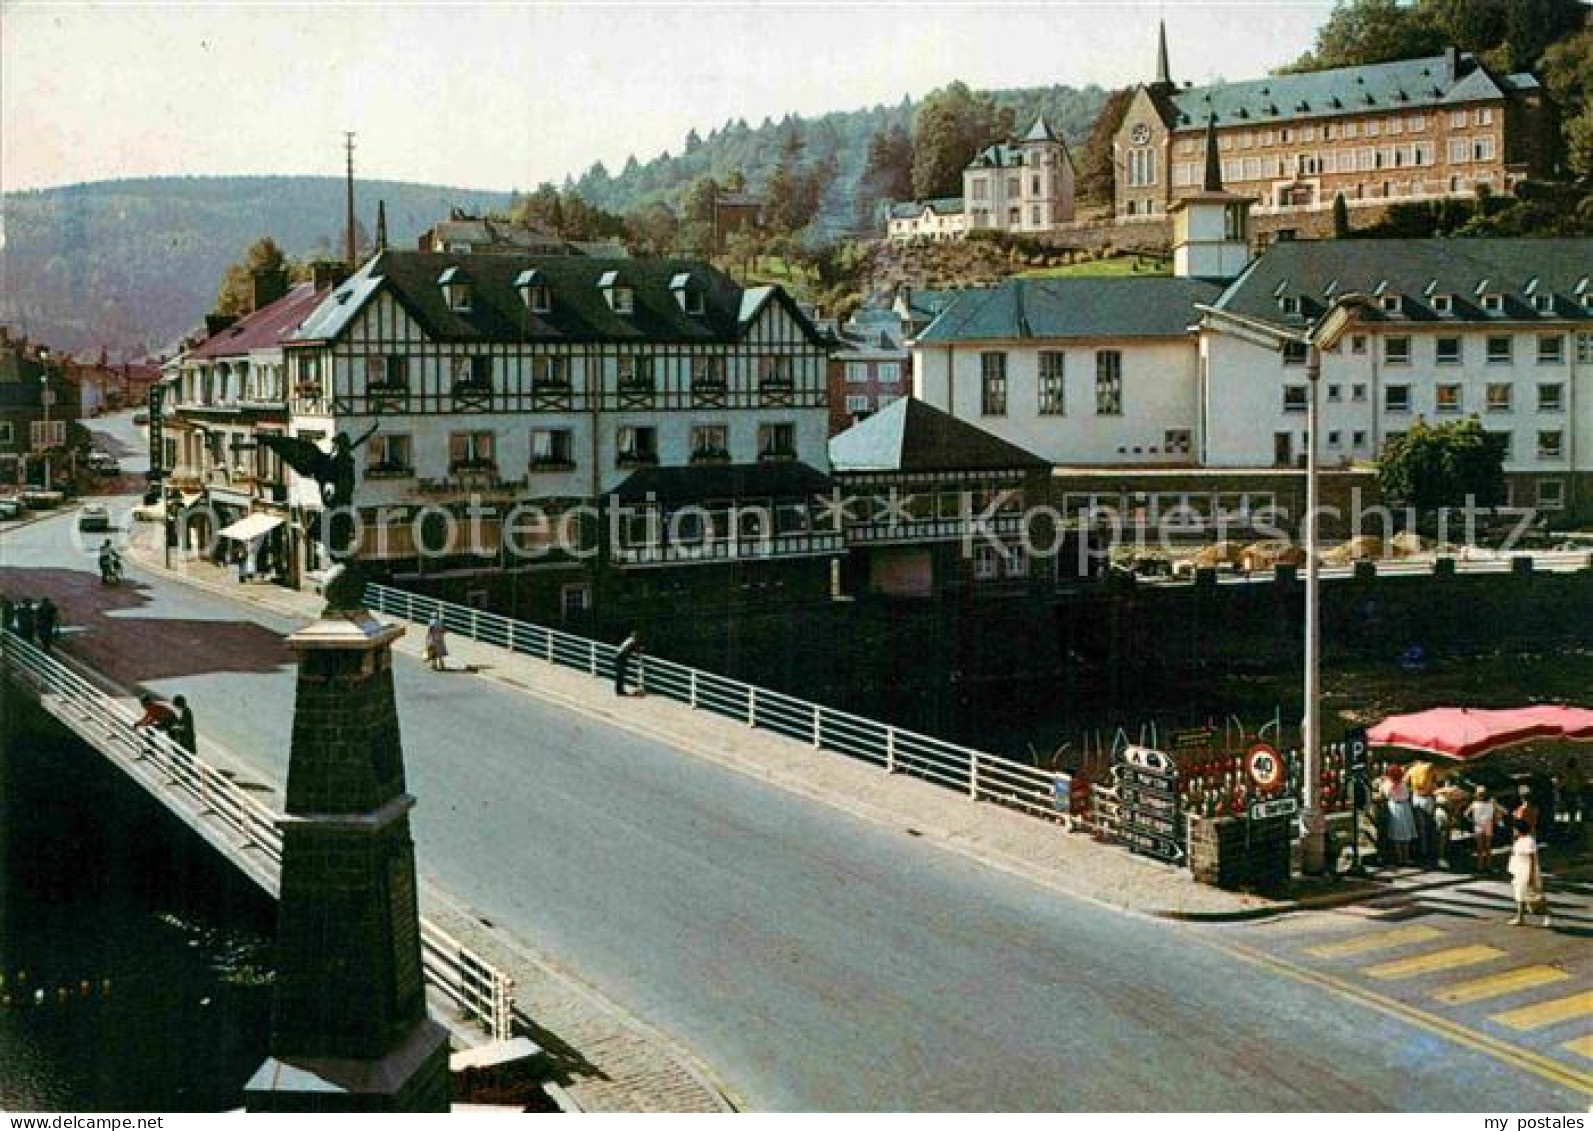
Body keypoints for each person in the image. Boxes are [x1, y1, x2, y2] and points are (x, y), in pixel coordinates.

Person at [1506, 817, 1551, 928]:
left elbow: (1532, 859)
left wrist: (1531, 876)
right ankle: (1520, 918)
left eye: (1515, 829)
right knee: (1520, 895)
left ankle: (1547, 915)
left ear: (1519, 829)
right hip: (1520, 871)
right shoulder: (1519, 841)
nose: (1513, 831)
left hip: (1527, 871)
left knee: (1536, 896)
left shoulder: (1529, 841)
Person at [1407, 759, 1444, 863]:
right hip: (1427, 798)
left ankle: (1423, 851)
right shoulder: (1430, 767)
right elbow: (1439, 779)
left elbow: (1405, 782)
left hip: (1416, 798)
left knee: (1420, 827)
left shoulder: (1412, 769)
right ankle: (1431, 852)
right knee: (1431, 825)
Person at [1381, 763, 1417, 866]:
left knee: (1403, 833)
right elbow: (1386, 793)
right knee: (1400, 834)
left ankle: (1404, 857)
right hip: (1398, 807)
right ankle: (1402, 858)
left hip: (1400, 806)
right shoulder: (1390, 783)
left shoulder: (1398, 782)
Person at [1466, 785, 1500, 873]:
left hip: (1485, 825)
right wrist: (1473, 821)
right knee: (1482, 848)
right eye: (1480, 794)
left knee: (1485, 848)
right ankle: (1481, 867)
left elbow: (1466, 814)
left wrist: (1495, 819)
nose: (1481, 795)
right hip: (1483, 825)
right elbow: (1466, 814)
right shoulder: (1476, 803)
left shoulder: (1488, 802)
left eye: (1482, 793)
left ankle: (1484, 867)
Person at [614, 627, 643, 697]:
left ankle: (619, 690)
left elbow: (631, 648)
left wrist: (636, 650)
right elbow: (628, 650)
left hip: (619, 657)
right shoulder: (631, 641)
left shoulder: (629, 640)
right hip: (621, 658)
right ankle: (619, 691)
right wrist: (636, 652)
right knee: (620, 675)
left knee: (620, 675)